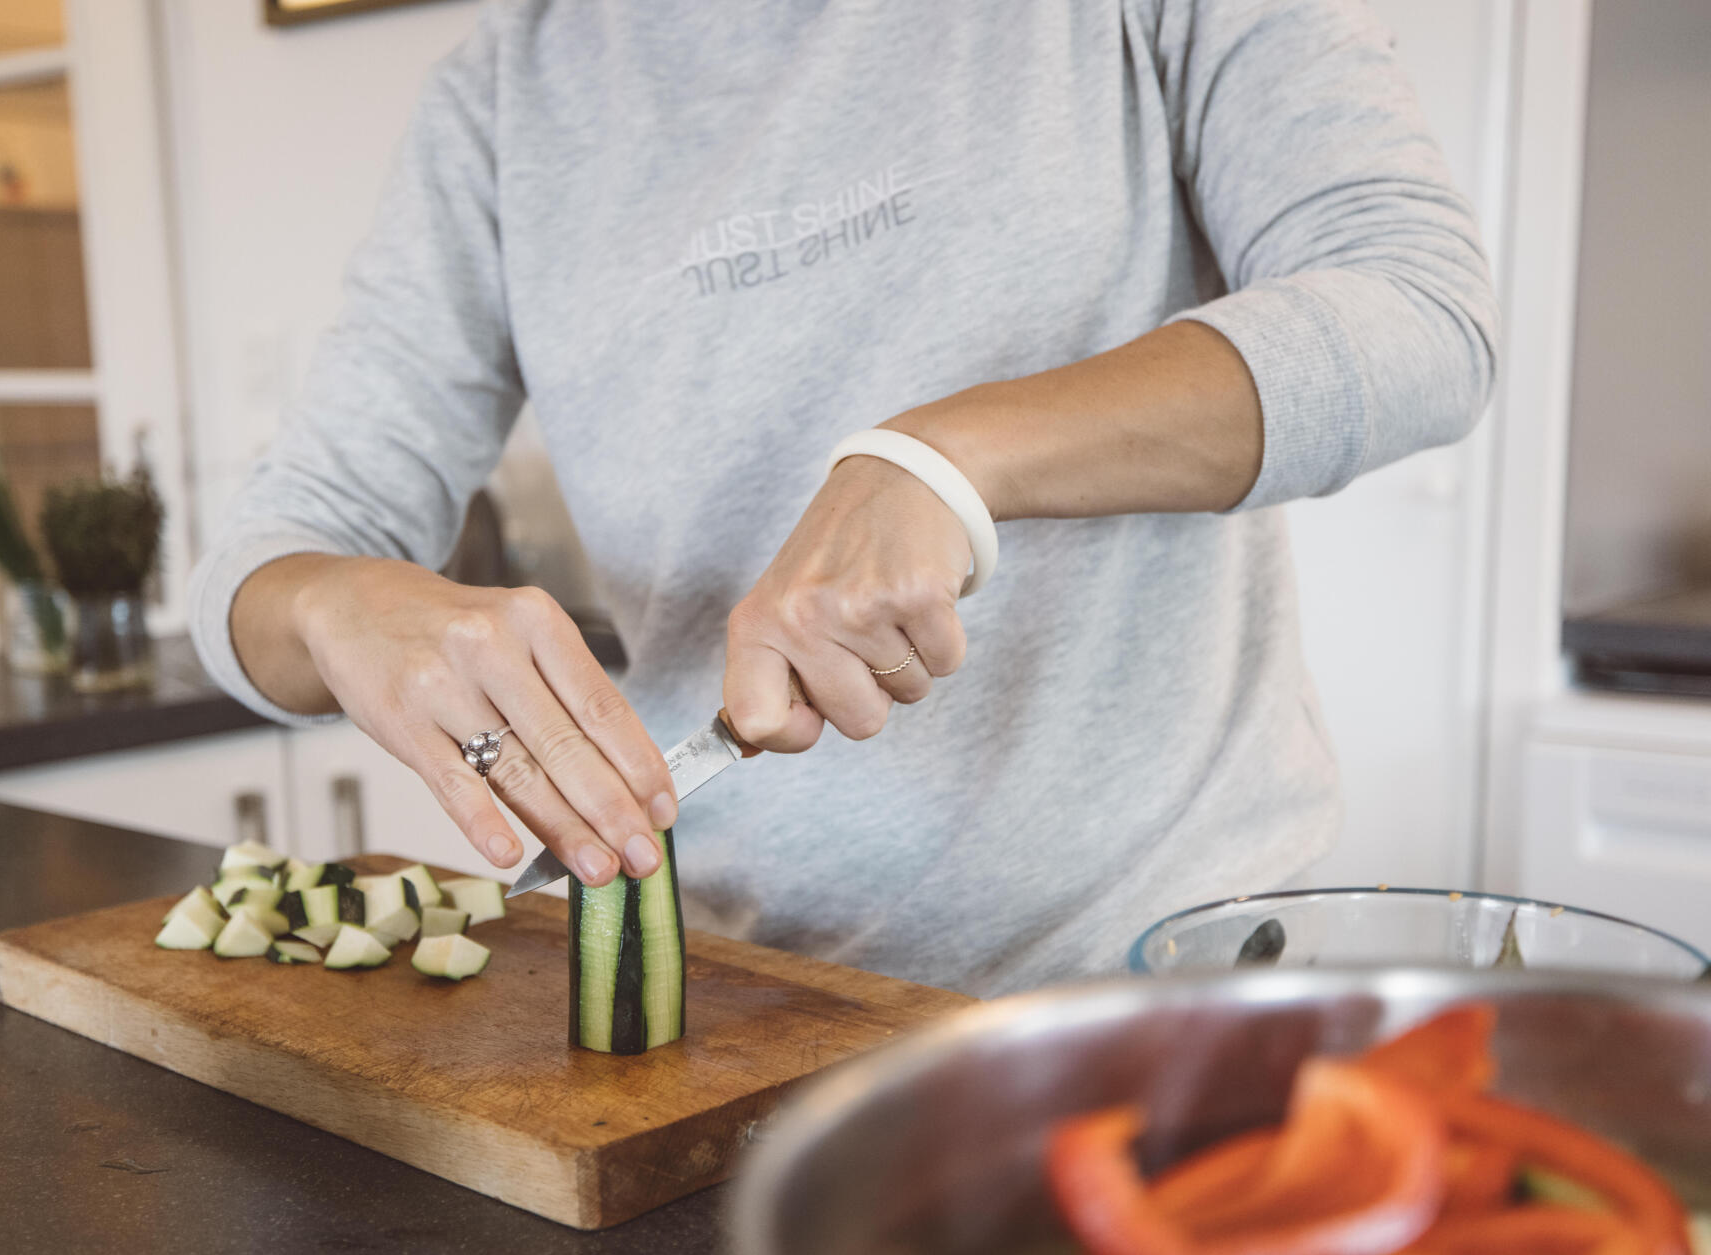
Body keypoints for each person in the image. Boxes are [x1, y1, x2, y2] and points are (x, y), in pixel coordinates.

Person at [190, 0, 1498, 997]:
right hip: (745, 1011)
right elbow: (270, 558)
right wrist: (336, 602)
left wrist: (946, 461)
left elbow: (1421, 308)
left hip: (1161, 992)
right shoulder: (501, 99)